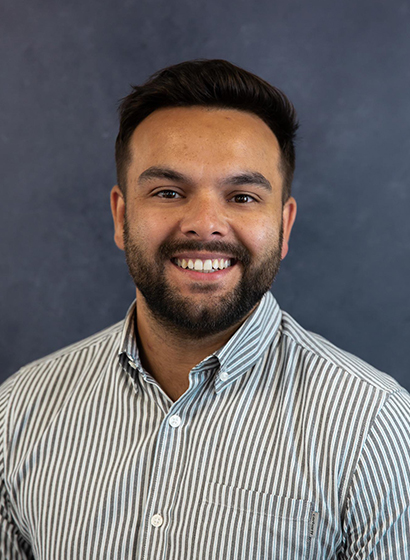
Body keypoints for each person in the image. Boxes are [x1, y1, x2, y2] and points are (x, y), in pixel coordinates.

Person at [0, 59, 409, 559]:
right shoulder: (19, 410)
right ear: (121, 215)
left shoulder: (372, 426)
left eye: (242, 196)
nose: (205, 224)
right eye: (169, 192)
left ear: (284, 226)